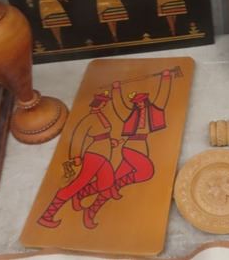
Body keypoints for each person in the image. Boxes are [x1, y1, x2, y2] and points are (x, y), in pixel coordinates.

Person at [70, 69, 173, 229]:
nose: (139, 104)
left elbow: (163, 96)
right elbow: (118, 106)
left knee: (109, 183)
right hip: (130, 148)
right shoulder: (130, 115)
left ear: (146, 101)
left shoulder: (154, 110)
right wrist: (116, 89)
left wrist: (166, 79)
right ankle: (115, 186)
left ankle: (88, 207)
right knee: (147, 172)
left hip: (142, 148)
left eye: (141, 101)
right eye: (137, 103)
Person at [37, 92, 120, 229]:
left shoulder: (100, 116)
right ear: (98, 103)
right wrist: (75, 155)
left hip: (104, 153)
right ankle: (47, 216)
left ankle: (89, 211)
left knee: (108, 183)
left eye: (105, 102)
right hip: (94, 155)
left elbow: (102, 135)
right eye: (103, 102)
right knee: (78, 183)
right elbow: (78, 137)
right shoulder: (89, 119)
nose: (105, 104)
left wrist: (111, 142)